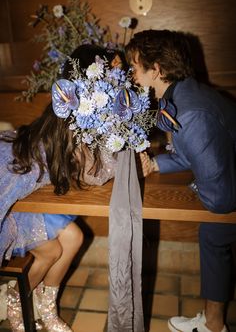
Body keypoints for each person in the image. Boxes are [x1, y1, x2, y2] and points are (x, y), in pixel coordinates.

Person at [0, 44, 120, 332]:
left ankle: (46, 308)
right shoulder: (71, 113)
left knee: (74, 238)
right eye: (111, 71)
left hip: (33, 189)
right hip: (13, 183)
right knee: (50, 251)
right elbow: (93, 174)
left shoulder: (77, 110)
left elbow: (87, 168)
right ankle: (18, 304)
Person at [125, 29, 236, 332]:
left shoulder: (191, 111)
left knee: (214, 231)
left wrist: (194, 189)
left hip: (228, 192)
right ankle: (213, 321)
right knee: (211, 234)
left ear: (156, 70)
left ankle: (214, 326)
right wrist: (156, 165)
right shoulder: (183, 92)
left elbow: (221, 200)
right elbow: (193, 151)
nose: (131, 74)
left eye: (135, 67)